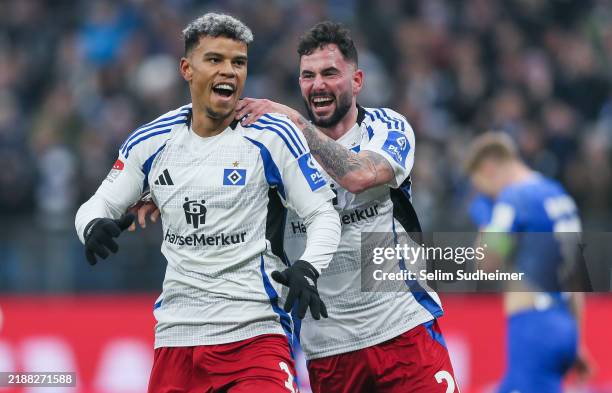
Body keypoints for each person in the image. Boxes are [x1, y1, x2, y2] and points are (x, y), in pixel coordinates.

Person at [137, 21, 458, 392]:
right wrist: (160, 197)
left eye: (330, 73)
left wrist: (296, 121)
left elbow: (358, 175)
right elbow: (221, 182)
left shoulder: (386, 127)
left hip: (404, 330)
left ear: (356, 81)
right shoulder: (279, 146)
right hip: (328, 348)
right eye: (308, 75)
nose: (317, 84)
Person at [75, 13, 341, 393]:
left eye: (239, 62)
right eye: (215, 60)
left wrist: (309, 267)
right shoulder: (152, 142)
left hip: (255, 334)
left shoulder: (272, 136)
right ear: (187, 68)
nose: (229, 72)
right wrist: (92, 225)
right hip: (177, 338)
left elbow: (322, 214)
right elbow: (95, 205)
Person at [464, 132, 592, 393]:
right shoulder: (558, 195)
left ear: (488, 168)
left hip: (534, 326)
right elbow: (576, 274)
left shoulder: (513, 200)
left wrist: (486, 221)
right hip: (564, 325)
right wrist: (576, 339)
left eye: (480, 185)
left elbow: (486, 265)